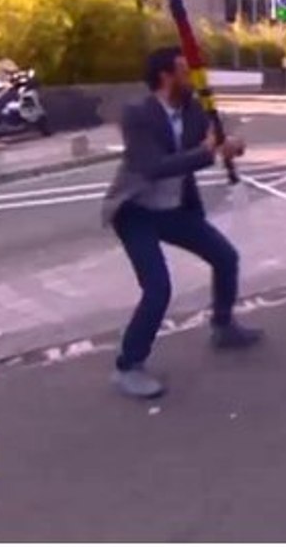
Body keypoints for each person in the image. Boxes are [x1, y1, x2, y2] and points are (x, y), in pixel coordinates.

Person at [101, 46, 259, 399]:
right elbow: (152, 166)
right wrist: (208, 152)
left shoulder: (194, 110)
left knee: (225, 258)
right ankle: (128, 365)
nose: (193, 77)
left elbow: (216, 140)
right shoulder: (137, 114)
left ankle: (222, 326)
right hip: (136, 211)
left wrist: (232, 145)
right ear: (165, 76)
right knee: (157, 288)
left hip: (175, 209)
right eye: (185, 70)